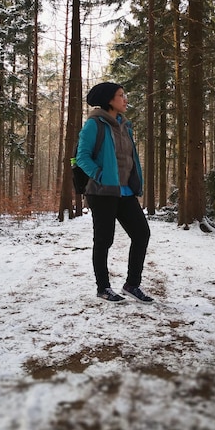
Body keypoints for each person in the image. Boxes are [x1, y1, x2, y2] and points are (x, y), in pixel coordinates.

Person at [76, 82, 152, 304]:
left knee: (141, 234)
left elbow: (130, 158)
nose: (125, 99)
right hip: (101, 192)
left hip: (125, 191)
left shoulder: (125, 126)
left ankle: (132, 284)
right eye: (121, 95)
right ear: (109, 99)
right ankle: (103, 287)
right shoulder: (94, 125)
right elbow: (82, 157)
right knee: (104, 239)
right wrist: (100, 175)